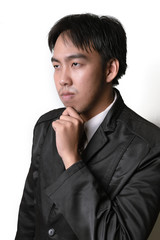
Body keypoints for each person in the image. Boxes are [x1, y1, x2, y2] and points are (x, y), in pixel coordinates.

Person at [15, 13, 160, 240]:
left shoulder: (150, 146)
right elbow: (29, 218)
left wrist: (71, 159)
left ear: (110, 69)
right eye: (56, 65)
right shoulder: (46, 126)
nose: (63, 79)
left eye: (75, 64)